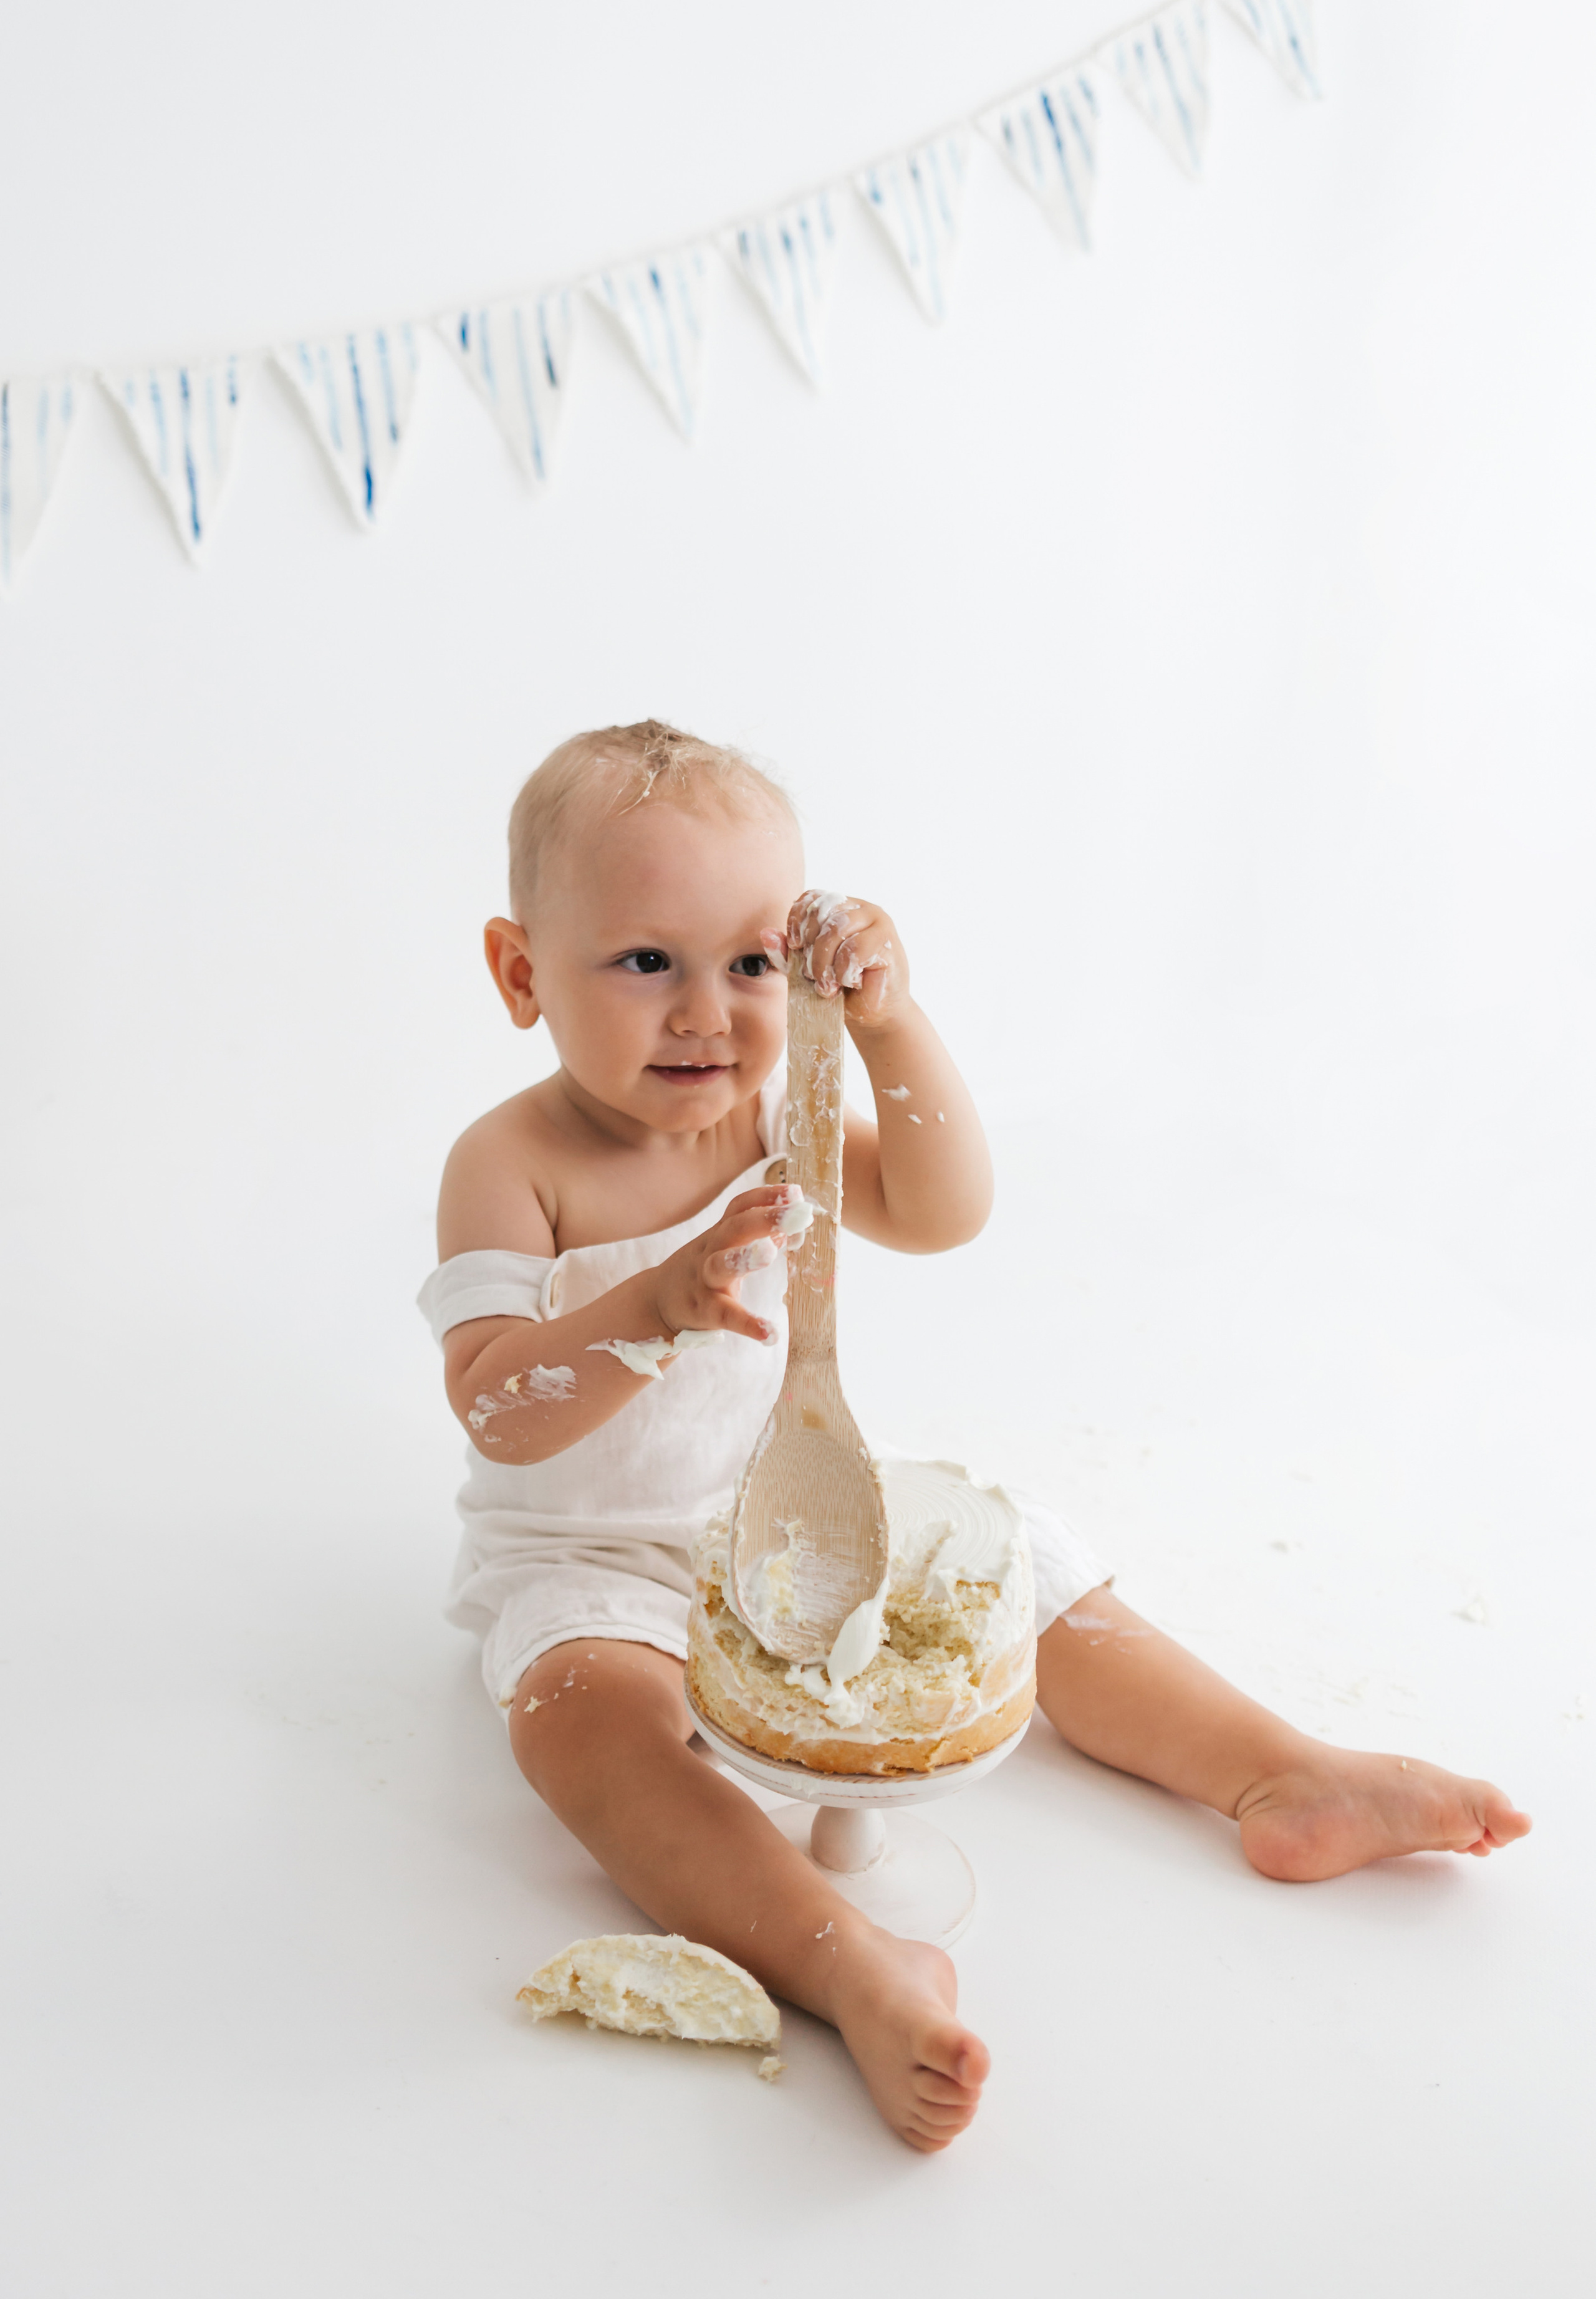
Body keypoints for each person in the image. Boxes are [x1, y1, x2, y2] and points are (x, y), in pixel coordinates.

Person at [419, 719, 1530, 2152]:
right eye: (645, 960)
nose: (706, 1014)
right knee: (582, 1728)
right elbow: (494, 1405)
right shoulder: (509, 1163)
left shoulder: (777, 1121)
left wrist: (887, 1027)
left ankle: (1274, 1769)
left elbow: (943, 1208)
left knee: (1022, 1570)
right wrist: (651, 1302)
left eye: (750, 963)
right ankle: (841, 1958)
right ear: (521, 974)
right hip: (589, 1564)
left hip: (789, 1512)